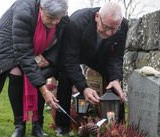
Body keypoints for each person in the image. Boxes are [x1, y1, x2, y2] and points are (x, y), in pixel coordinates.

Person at [0, 0, 69, 136]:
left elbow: (61, 43)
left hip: (41, 49)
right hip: (12, 47)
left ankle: (37, 126)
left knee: (41, 74)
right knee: (16, 75)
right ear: (41, 9)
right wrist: (45, 91)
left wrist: (49, 61)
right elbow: (24, 55)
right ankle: (19, 126)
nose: (55, 22)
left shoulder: (61, 14)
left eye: (58, 18)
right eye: (50, 18)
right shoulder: (23, 13)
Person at [55, 1, 128, 136]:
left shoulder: (122, 25)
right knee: (66, 77)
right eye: (106, 27)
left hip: (99, 54)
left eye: (114, 29)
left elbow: (116, 57)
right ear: (96, 17)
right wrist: (84, 87)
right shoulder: (77, 22)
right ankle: (63, 125)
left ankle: (118, 125)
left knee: (114, 82)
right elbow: (70, 61)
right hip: (77, 52)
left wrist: (116, 78)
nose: (110, 33)